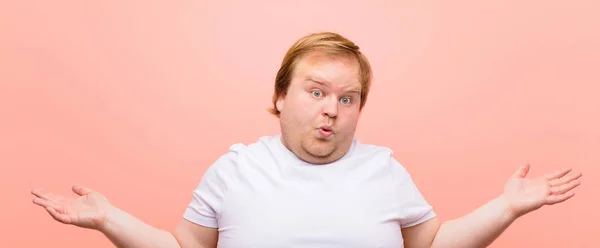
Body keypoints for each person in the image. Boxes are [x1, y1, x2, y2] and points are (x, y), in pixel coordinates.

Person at [31, 32, 582, 248]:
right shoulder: (236, 168)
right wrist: (108, 219)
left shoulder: (384, 169)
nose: (330, 110)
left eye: (347, 98)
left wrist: (506, 207)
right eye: (316, 92)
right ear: (281, 95)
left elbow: (433, 246)